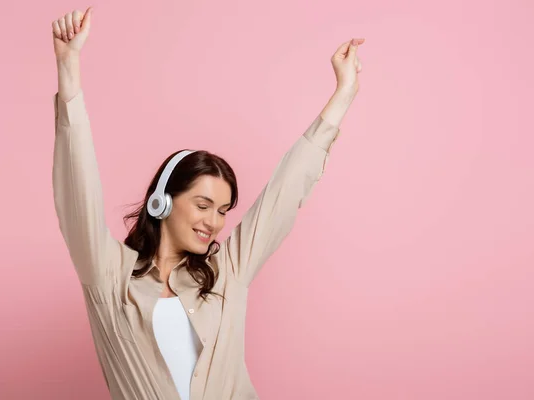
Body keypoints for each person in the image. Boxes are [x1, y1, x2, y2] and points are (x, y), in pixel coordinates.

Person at [51, 6, 364, 400]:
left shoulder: (228, 272)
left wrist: (343, 94)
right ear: (163, 202)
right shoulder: (109, 277)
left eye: (222, 210)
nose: (214, 222)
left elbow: (284, 193)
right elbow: (78, 190)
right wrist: (68, 66)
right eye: (202, 205)